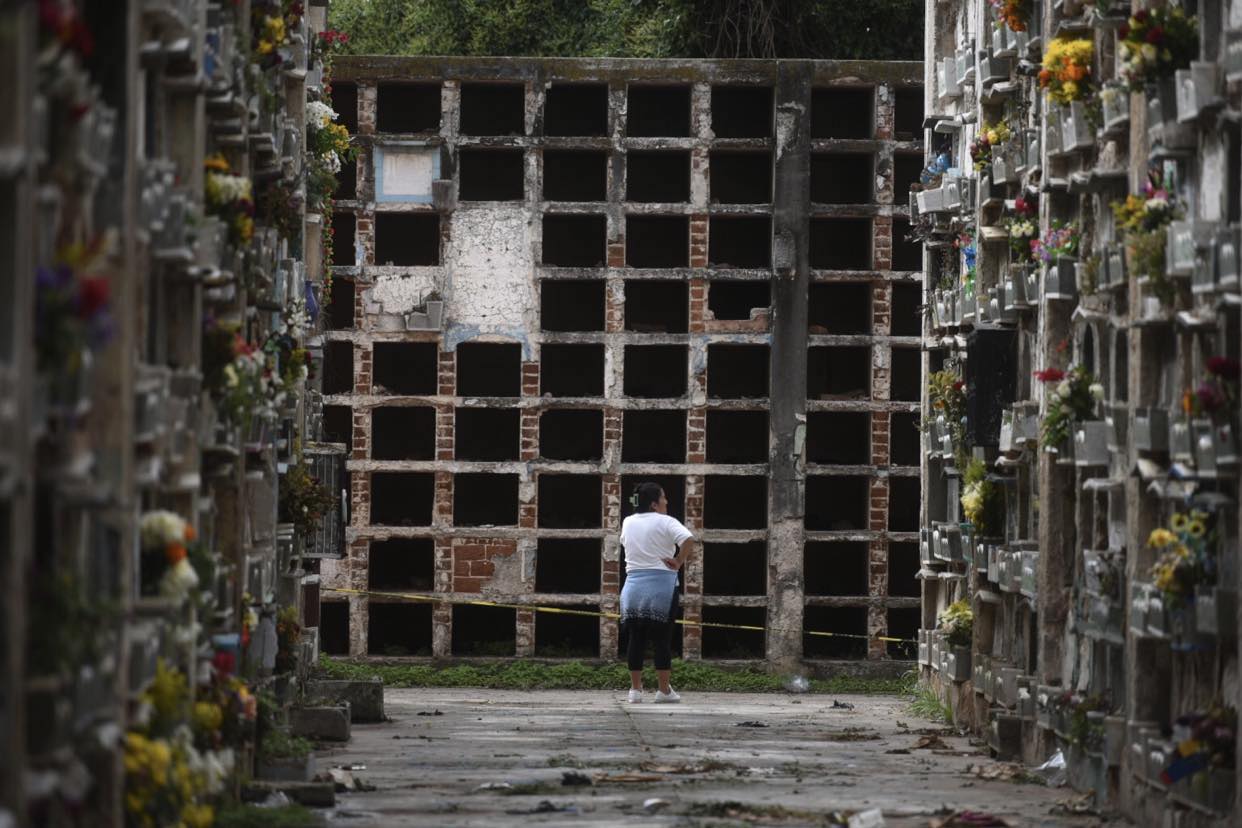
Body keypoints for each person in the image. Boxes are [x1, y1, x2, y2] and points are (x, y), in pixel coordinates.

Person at [618, 482, 695, 703]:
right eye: (663, 498)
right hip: (662, 585)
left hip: (632, 585)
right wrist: (679, 560)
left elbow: (626, 543)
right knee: (662, 639)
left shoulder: (628, 521)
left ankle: (635, 691)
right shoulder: (667, 521)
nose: (666, 502)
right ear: (654, 504)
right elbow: (688, 539)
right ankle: (663, 690)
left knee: (636, 637)